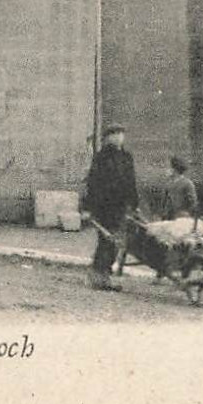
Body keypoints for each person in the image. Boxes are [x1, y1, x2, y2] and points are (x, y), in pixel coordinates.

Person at [81, 123, 140, 291]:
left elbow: (131, 182)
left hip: (120, 206)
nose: (119, 137)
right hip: (104, 206)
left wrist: (134, 204)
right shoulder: (101, 157)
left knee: (115, 242)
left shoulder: (127, 157)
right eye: (115, 134)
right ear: (108, 138)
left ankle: (100, 273)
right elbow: (93, 182)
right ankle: (100, 276)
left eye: (121, 133)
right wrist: (88, 208)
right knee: (107, 240)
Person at [161, 155, 197, 221]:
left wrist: (186, 214)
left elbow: (193, 203)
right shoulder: (168, 183)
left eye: (169, 167)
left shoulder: (188, 184)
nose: (166, 169)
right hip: (168, 217)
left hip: (181, 219)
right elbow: (165, 201)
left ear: (174, 169)